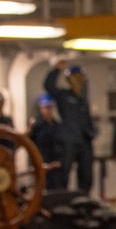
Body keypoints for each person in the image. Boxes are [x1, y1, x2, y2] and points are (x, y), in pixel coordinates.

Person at [44, 60, 96, 193]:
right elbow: (48, 86)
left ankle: (83, 199)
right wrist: (57, 70)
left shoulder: (83, 99)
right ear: (69, 80)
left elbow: (87, 120)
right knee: (63, 174)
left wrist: (92, 133)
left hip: (84, 142)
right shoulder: (63, 95)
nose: (79, 80)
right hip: (68, 142)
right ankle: (62, 199)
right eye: (76, 77)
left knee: (86, 175)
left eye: (80, 77)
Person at [27, 93, 63, 190]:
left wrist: (59, 160)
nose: (47, 111)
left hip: (54, 162)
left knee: (55, 187)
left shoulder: (56, 125)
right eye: (45, 108)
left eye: (49, 108)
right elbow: (31, 144)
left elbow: (59, 144)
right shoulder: (37, 125)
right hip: (41, 160)